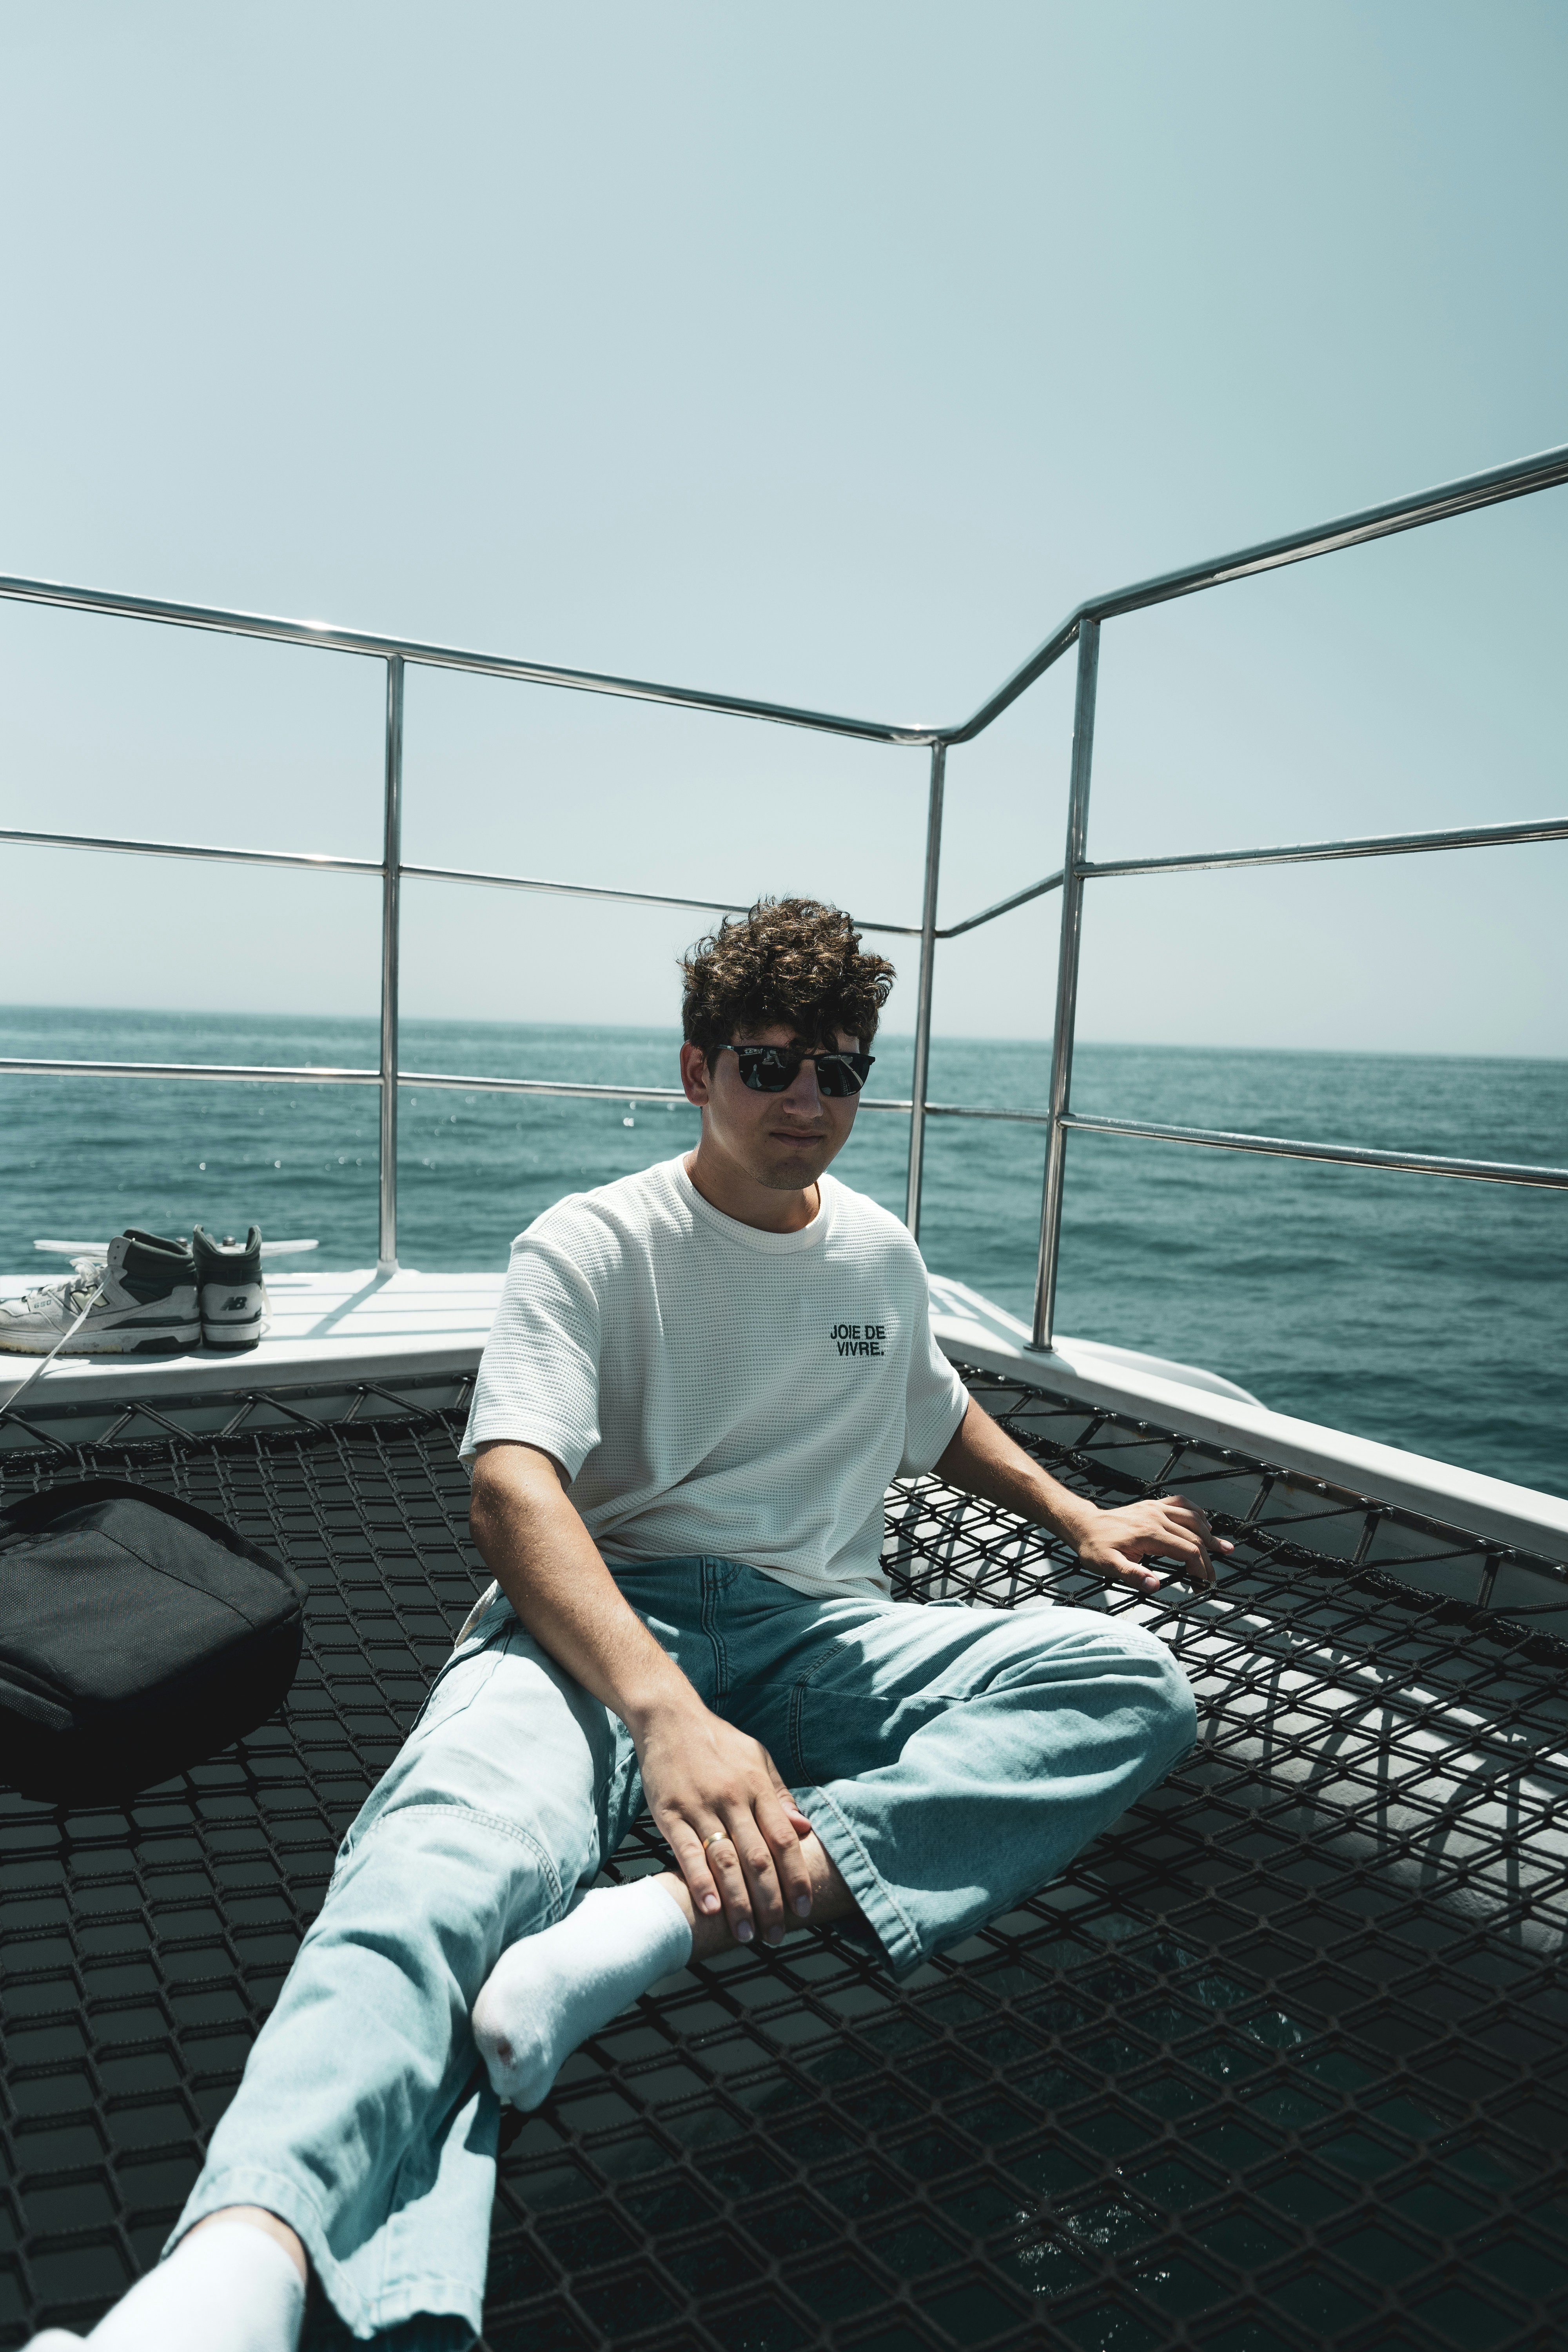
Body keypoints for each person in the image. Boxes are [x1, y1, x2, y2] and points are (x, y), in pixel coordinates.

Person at [29, 897, 1227, 2352]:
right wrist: (667, 1714)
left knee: (1129, 1685)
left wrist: (1072, 1514)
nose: (807, 1099)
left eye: (839, 1071)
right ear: (696, 1069)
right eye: (771, 1062)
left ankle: (651, 1928)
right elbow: (512, 1488)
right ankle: (241, 2258)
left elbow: (940, 1407)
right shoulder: (593, 1244)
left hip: (822, 1628)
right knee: (443, 1859)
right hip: (606, 1622)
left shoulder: (879, 1258)